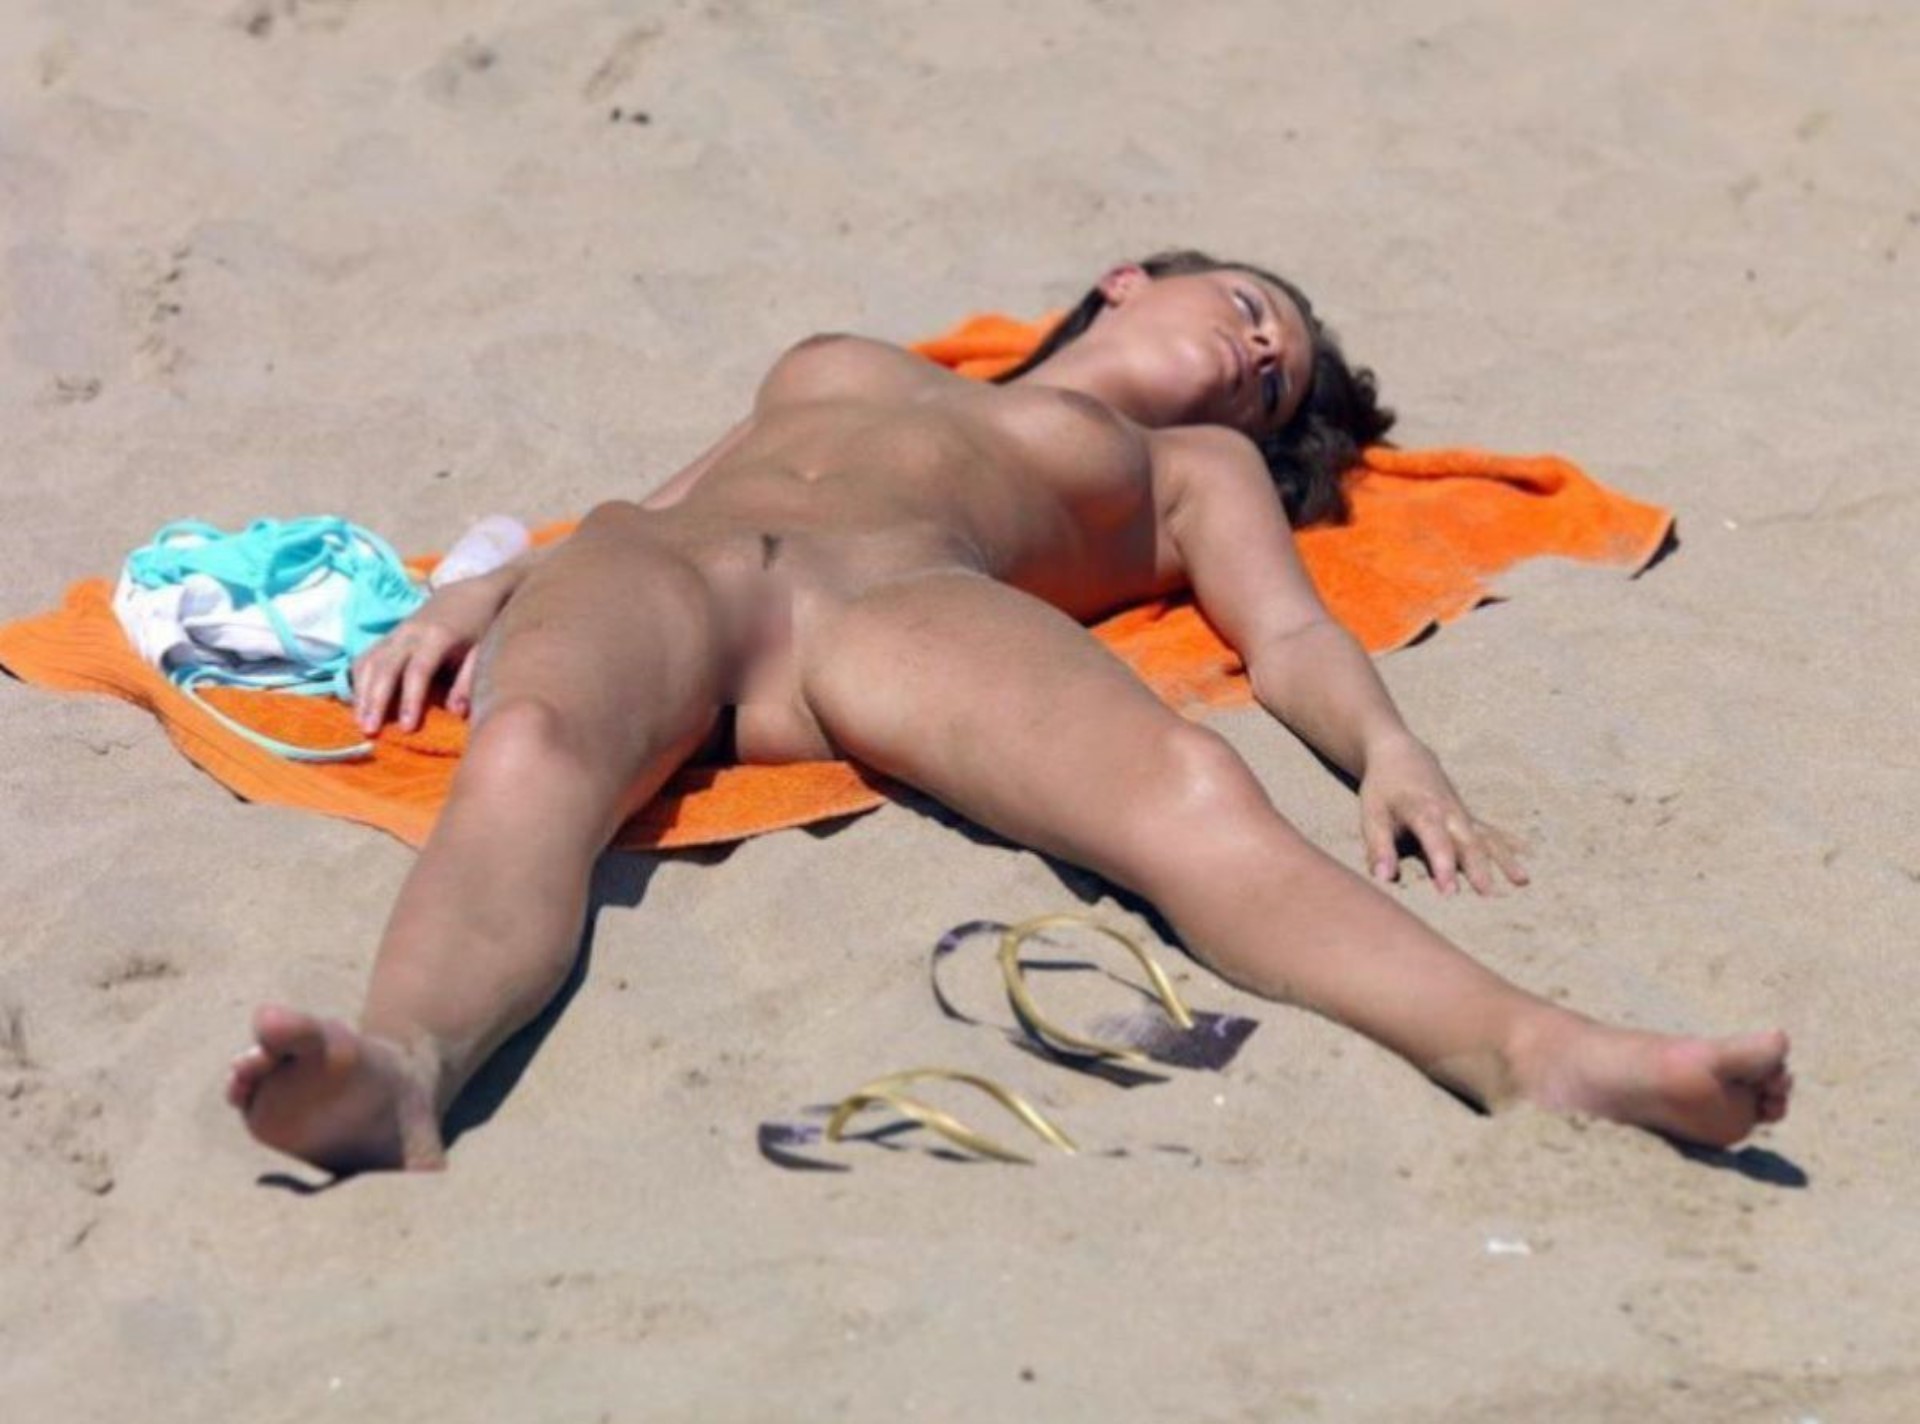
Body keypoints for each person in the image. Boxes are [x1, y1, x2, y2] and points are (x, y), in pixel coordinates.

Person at [225, 250, 1792, 1173]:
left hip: (899, 603)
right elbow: (664, 495)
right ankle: (404, 1071)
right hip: (667, 565)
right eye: (1253, 310)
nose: (1259, 353)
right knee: (530, 748)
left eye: (1274, 377)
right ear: (1130, 280)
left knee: (1187, 788)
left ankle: (1535, 1052)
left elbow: (1291, 632)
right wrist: (477, 593)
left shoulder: (1192, 470)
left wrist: (1391, 748)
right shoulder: (864, 362)